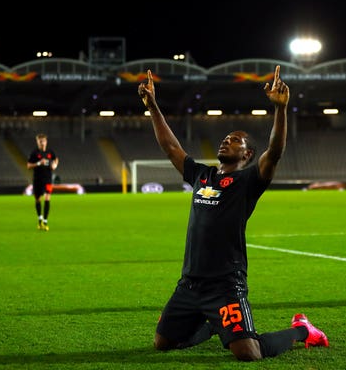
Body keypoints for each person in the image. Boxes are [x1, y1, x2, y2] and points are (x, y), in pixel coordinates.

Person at [138, 65, 328, 362]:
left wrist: (280, 110)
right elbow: (170, 147)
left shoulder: (250, 181)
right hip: (189, 282)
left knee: (248, 353)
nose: (227, 140)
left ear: (247, 154)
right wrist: (153, 107)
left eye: (235, 139)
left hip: (225, 284)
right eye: (225, 137)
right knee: (162, 343)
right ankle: (215, 325)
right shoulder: (202, 175)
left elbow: (275, 152)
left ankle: (303, 330)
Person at [26, 133, 59, 231]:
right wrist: (39, 163)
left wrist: (55, 165)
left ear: (46, 141)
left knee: (47, 198)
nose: (42, 143)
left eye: (43, 141)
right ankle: (39, 218)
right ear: (37, 142)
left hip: (48, 179)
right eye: (40, 141)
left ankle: (45, 221)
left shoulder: (50, 152)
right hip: (37, 179)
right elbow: (28, 166)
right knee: (37, 200)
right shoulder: (34, 153)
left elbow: (56, 159)